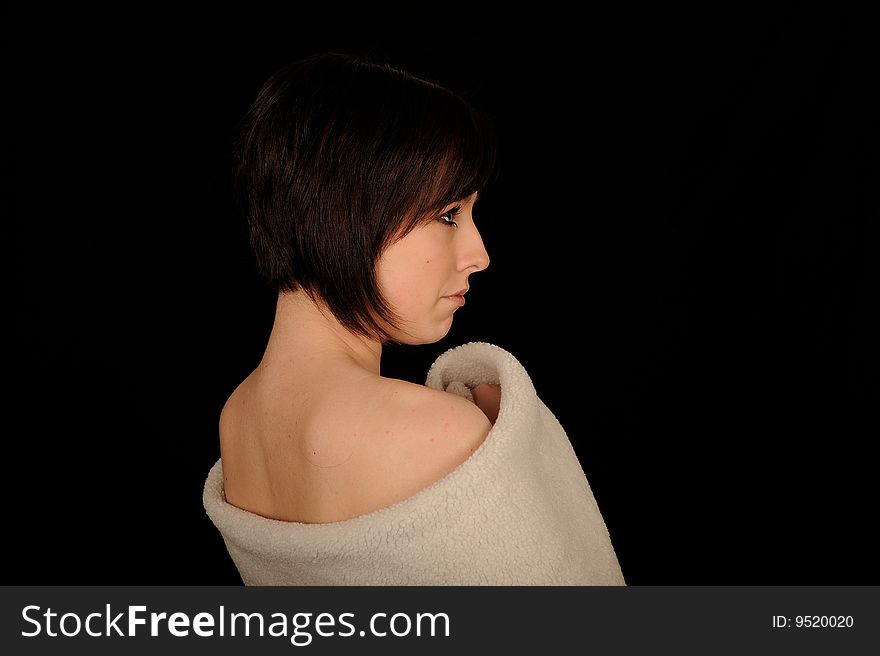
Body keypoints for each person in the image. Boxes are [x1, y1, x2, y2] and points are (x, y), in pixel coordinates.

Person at [203, 52, 625, 586]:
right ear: (345, 208)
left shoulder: (238, 419)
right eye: (449, 215)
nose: (479, 254)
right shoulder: (440, 433)